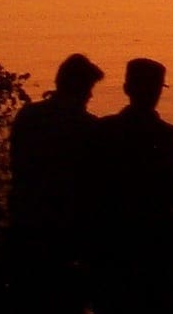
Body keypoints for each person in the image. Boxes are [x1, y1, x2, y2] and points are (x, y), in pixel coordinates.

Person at [92, 57, 173, 265]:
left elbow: (87, 187)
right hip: (155, 241)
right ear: (159, 91)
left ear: (126, 89)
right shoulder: (171, 137)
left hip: (108, 240)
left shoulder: (103, 130)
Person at [7, 52, 105, 248]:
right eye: (88, 89)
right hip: (65, 222)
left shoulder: (28, 115)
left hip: (26, 215)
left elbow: (17, 163)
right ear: (79, 89)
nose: (90, 95)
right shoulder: (87, 127)